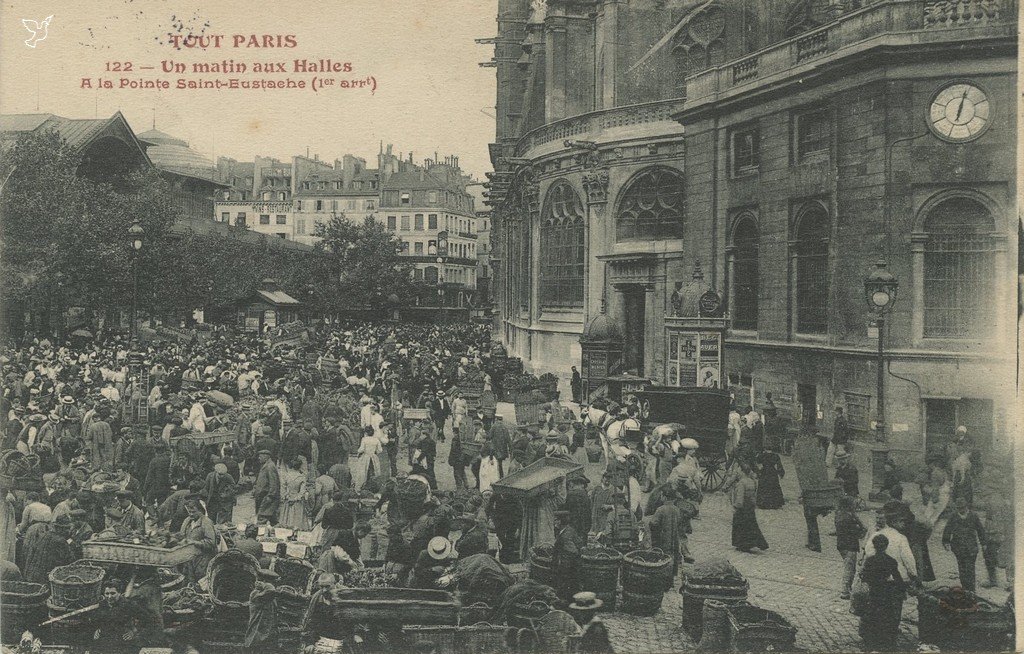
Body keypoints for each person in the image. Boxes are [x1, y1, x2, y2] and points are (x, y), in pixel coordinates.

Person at [859, 534, 906, 652]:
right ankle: (886, 643)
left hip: (873, 592)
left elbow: (864, 577)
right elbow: (897, 577)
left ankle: (871, 643)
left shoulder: (870, 560)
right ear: (886, 546)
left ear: (874, 546)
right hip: (886, 593)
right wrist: (902, 590)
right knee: (887, 617)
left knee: (872, 617)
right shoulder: (891, 561)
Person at [942, 495, 986, 592]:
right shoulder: (953, 516)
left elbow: (980, 530)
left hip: (971, 548)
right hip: (958, 547)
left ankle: (971, 590)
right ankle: (965, 589)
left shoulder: (974, 516)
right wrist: (946, 541)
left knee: (970, 569)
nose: (961, 510)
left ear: (967, 506)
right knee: (962, 569)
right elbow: (947, 530)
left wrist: (983, 543)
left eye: (963, 508)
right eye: (959, 508)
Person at [22, 513, 75, 584]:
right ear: (60, 528)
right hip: (47, 580)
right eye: (67, 529)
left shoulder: (44, 535)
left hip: (32, 576)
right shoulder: (60, 541)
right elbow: (70, 560)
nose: (68, 531)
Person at [730, 461, 768, 553]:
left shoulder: (741, 483)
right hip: (750, 507)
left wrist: (736, 507)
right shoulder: (752, 482)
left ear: (742, 472)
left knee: (740, 526)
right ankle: (756, 543)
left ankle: (742, 544)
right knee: (751, 525)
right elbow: (754, 495)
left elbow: (739, 498)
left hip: (742, 508)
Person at [178, 497, 217, 583]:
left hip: (202, 559)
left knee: (200, 582)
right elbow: (181, 536)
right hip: (189, 558)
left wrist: (194, 542)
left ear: (200, 511)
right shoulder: (187, 521)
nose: (191, 514)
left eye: (193, 512)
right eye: (189, 512)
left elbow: (211, 543)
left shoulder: (206, 522)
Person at [835, 494, 866, 599]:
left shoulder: (839, 514)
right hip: (850, 545)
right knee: (849, 568)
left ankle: (847, 589)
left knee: (849, 567)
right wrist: (859, 524)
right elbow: (859, 531)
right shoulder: (849, 518)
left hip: (841, 544)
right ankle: (845, 590)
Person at [648, 485, 683, 577]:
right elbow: (680, 523)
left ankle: (662, 576)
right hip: (674, 539)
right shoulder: (677, 510)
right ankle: (671, 576)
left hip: (662, 539)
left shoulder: (660, 509)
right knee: (673, 555)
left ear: (664, 497)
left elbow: (654, 524)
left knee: (662, 556)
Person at [552, 510, 581, 601]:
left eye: (556, 520)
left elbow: (572, 551)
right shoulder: (570, 530)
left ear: (560, 521)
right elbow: (579, 543)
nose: (554, 522)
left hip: (567, 566)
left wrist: (562, 563)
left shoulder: (564, 536)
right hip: (573, 564)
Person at [278, 457, 311, 530]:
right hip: (297, 500)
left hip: (288, 497)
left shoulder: (286, 476)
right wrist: (296, 498)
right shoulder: (302, 477)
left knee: (286, 519)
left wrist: (284, 496)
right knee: (297, 519)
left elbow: (283, 487)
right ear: (300, 466)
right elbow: (302, 491)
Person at [562, 476, 592, 547]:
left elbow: (567, 507)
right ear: (581, 484)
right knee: (583, 544)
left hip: (574, 523)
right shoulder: (585, 495)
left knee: (574, 544)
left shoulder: (570, 494)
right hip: (585, 524)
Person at [253, 449, 281, 526]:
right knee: (272, 520)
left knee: (262, 518)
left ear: (266, 457)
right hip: (264, 497)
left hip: (267, 498)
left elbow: (274, 483)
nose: (259, 458)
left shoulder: (270, 467)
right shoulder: (266, 466)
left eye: (260, 456)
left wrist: (270, 496)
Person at [755, 444, 785, 509]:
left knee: (763, 487)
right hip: (772, 472)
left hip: (764, 472)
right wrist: (781, 473)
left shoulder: (761, 456)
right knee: (774, 486)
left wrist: (758, 472)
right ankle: (775, 504)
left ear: (765, 449)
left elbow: (756, 463)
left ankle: (763, 503)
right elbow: (779, 466)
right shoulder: (776, 456)